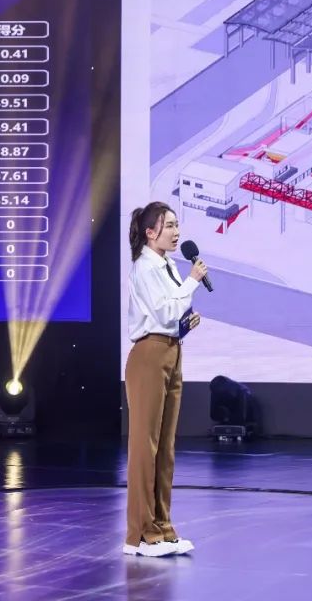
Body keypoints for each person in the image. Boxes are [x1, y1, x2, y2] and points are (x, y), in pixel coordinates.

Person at [123, 202, 207, 557]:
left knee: (165, 448)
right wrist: (192, 283)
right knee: (146, 447)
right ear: (150, 232)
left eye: (176, 225)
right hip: (149, 356)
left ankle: (163, 527)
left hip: (171, 351)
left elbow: (172, 315)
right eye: (169, 225)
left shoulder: (168, 265)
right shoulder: (144, 267)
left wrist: (183, 325)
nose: (176, 232)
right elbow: (163, 311)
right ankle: (141, 535)